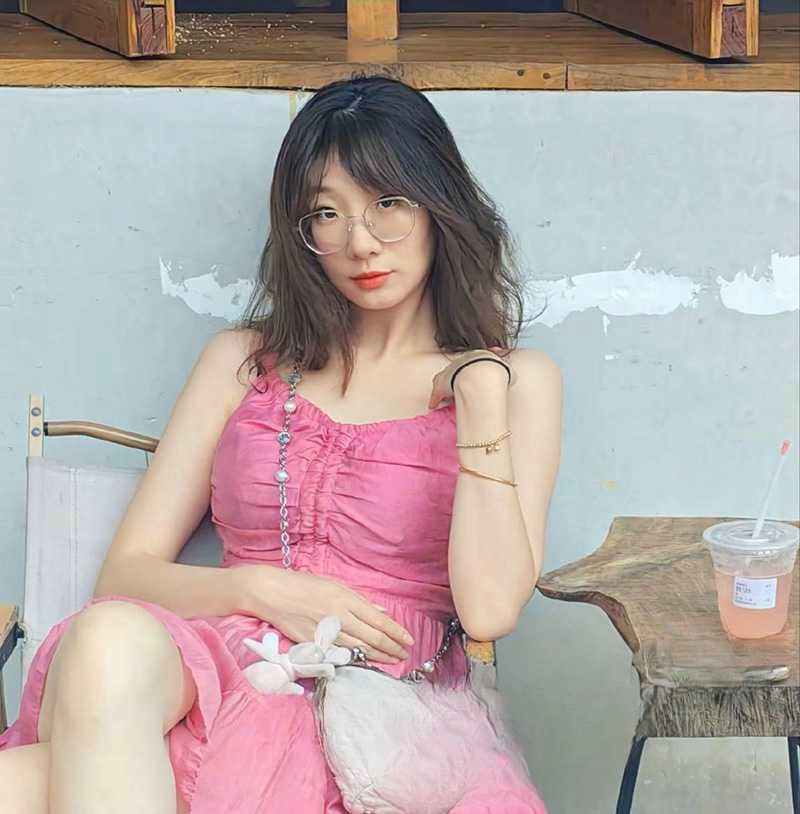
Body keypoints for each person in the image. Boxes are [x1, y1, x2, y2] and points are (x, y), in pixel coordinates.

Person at [0, 75, 562, 813]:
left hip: (383, 708)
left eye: (388, 203)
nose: (361, 242)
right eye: (327, 214)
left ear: (439, 206)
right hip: (218, 674)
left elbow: (488, 610)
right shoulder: (242, 361)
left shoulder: (517, 382)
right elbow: (124, 577)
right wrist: (260, 589)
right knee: (105, 641)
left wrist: (480, 392)